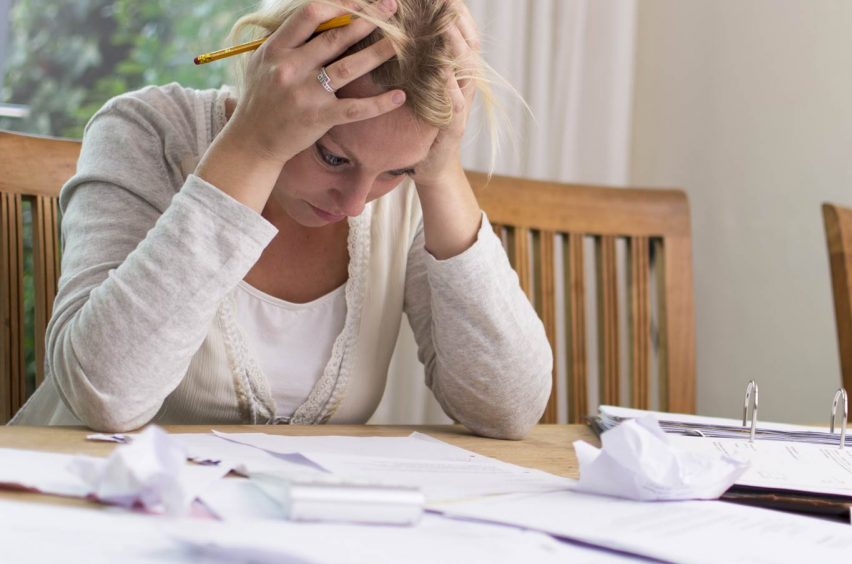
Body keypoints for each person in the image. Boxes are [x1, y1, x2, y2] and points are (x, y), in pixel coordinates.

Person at [10, 0, 552, 439]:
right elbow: (105, 394)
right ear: (281, 82)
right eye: (334, 158)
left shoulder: (409, 192)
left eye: (398, 171)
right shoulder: (146, 130)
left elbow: (508, 409)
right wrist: (253, 147)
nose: (356, 203)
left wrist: (437, 174)